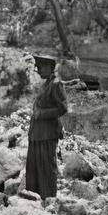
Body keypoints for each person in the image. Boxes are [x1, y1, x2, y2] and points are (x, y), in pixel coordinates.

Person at [26, 53, 69, 199]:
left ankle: (48, 198)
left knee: (46, 166)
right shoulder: (46, 84)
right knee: (35, 165)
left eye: (41, 66)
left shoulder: (56, 84)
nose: (38, 69)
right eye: (38, 66)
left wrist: (42, 113)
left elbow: (63, 108)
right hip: (37, 132)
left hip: (47, 132)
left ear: (50, 67)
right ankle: (35, 197)